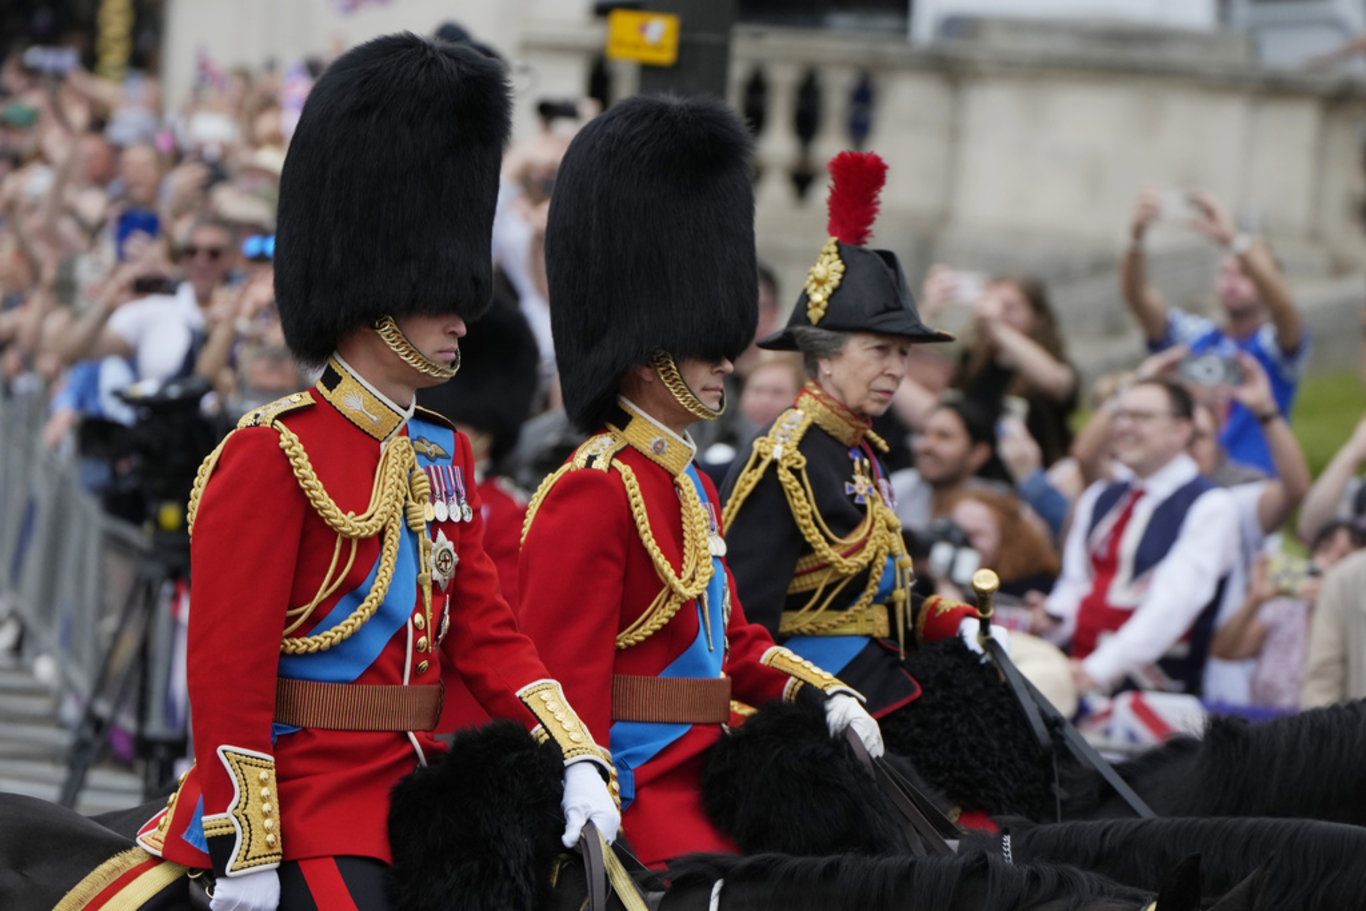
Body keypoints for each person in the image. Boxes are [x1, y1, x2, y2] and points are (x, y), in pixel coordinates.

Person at [132, 35, 617, 910]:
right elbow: (228, 671)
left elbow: (488, 633)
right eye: (442, 296)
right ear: (377, 295)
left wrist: (573, 746)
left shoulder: (442, 452)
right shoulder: (272, 451)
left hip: (422, 795)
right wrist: (245, 841)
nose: (464, 317)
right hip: (307, 805)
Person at [518, 96, 882, 868]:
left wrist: (822, 692)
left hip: (714, 772)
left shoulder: (691, 485)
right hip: (638, 790)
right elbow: (564, 673)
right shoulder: (596, 488)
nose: (728, 359)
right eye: (705, 348)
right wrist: (587, 791)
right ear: (648, 351)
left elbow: (736, 643)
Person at [720, 150, 1002, 753]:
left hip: (882, 682)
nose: (897, 370)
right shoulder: (783, 460)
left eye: (904, 354)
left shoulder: (860, 453)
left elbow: (881, 602)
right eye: (880, 351)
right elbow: (740, 627)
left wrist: (952, 622)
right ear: (823, 354)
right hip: (823, 710)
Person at [1042, 377, 1241, 697]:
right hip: (1075, 675)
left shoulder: (1211, 505)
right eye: (1120, 415)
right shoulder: (1099, 497)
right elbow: (1076, 585)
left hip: (1157, 696)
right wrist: (1050, 621)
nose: (1124, 426)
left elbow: (1173, 606)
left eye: (1142, 417)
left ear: (1181, 430)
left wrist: (1096, 671)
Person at [1121, 187, 1307, 476]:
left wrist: (1234, 241)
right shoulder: (1195, 335)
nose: (1232, 282)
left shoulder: (1275, 344)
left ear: (1271, 282)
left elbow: (1285, 311)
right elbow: (1137, 298)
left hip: (1251, 483)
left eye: (1245, 274)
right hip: (1185, 477)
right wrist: (1137, 239)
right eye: (1225, 272)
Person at [1212, 521, 1362, 711]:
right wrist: (1254, 599)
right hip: (1268, 734)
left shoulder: (1358, 626)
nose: (1330, 561)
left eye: (1345, 556)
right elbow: (1224, 652)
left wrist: (1333, 603)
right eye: (1324, 550)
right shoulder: (1282, 612)